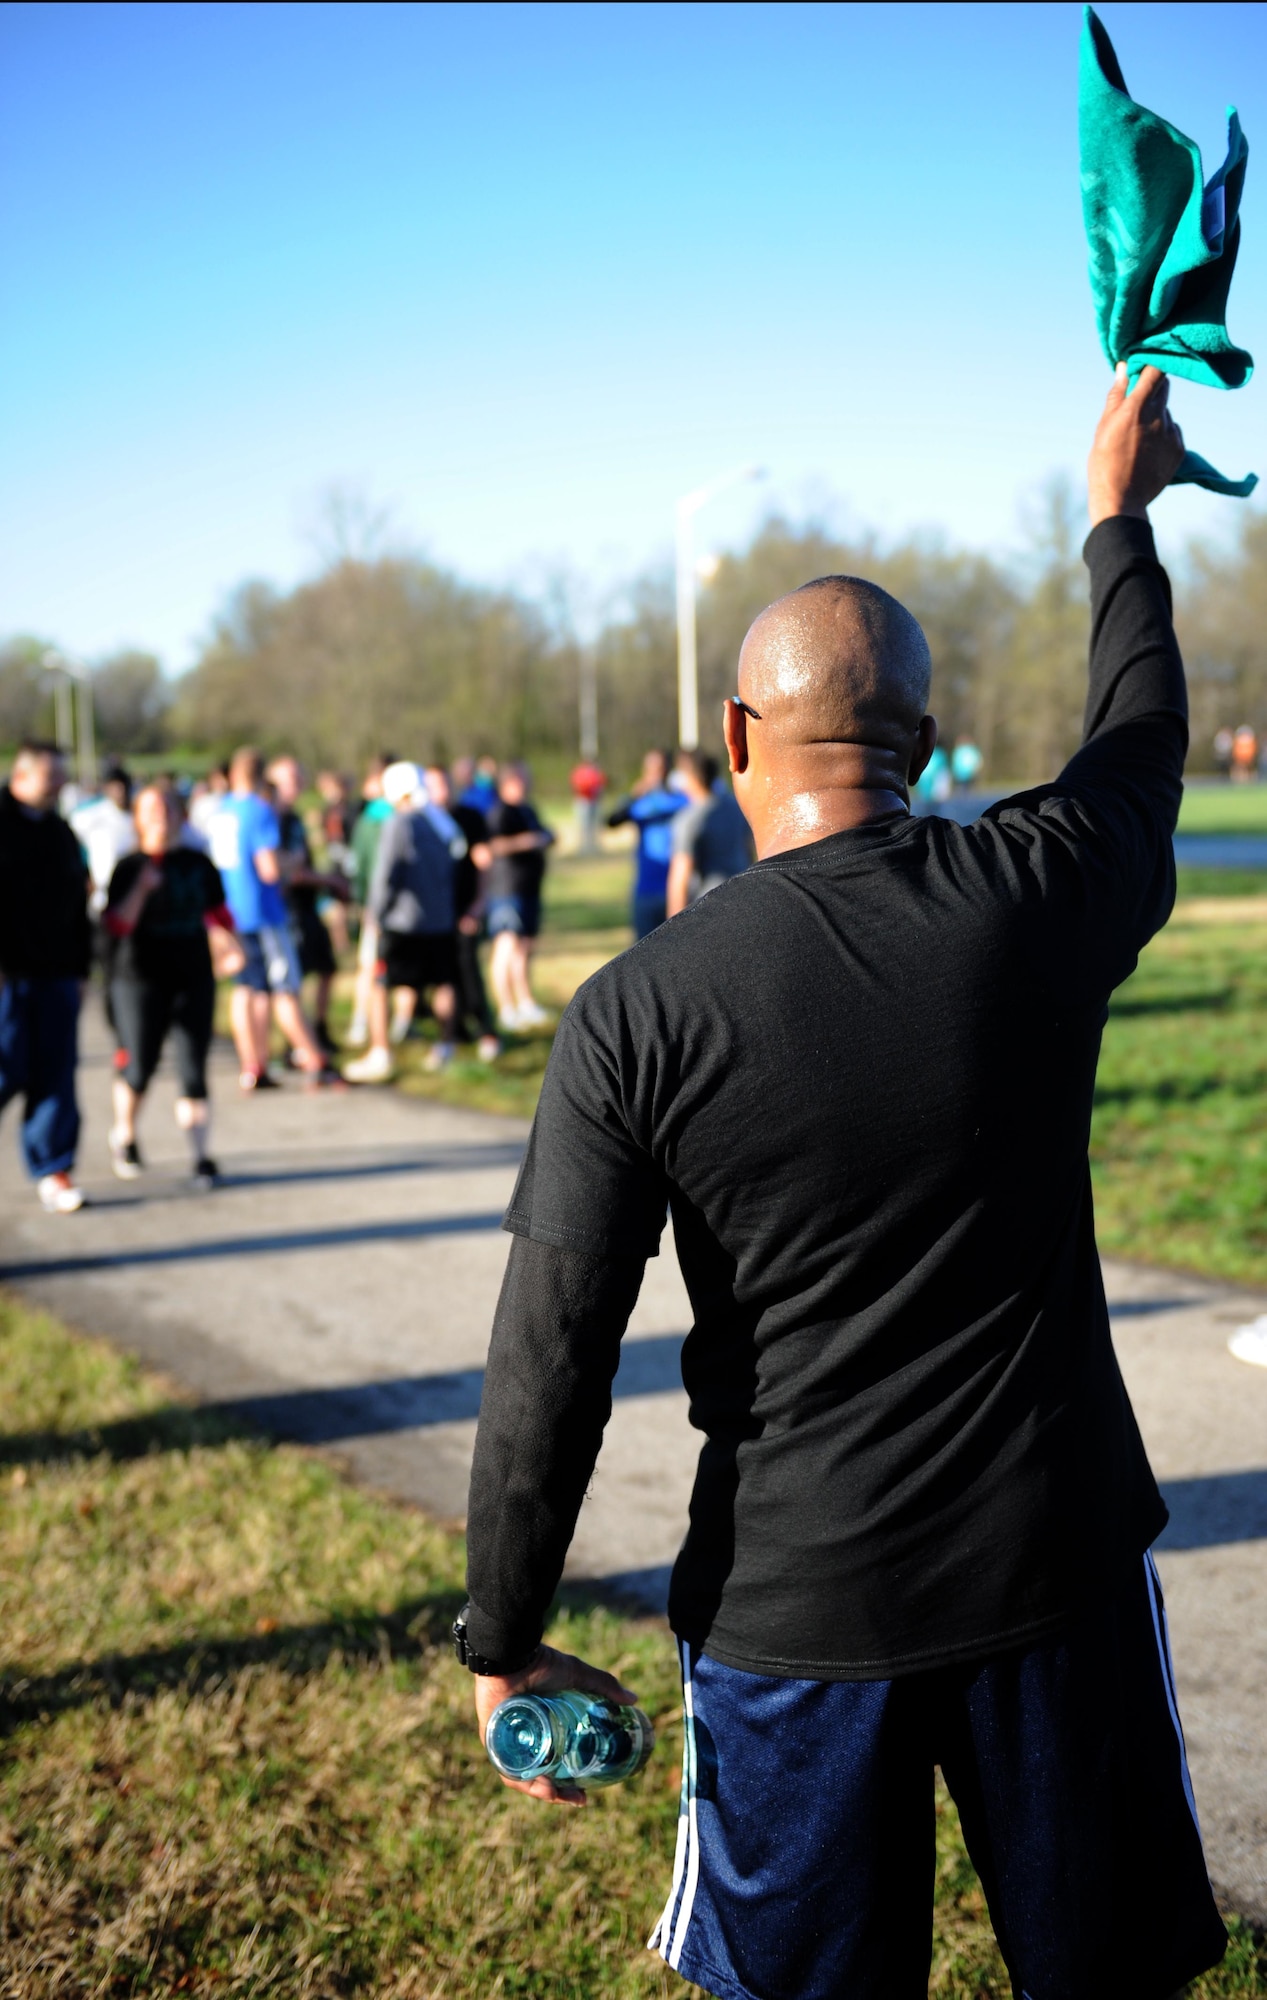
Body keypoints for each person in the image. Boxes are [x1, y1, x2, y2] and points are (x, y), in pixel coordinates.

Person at [454, 369, 1229, 2000]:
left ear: (734, 738)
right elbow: (1142, 735)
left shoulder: (635, 1010)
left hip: (789, 1619)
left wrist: (502, 1633)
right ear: (927, 747)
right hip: (1059, 1578)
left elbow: (551, 1357)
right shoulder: (1038, 894)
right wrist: (1116, 521)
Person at [103, 784, 241, 1187]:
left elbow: (218, 913)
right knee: (140, 1064)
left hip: (193, 974)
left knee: (192, 1067)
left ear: (181, 815)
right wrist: (143, 890)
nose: (161, 814)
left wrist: (230, 944)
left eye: (168, 807)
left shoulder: (199, 864)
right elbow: (116, 926)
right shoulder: (128, 866)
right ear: (138, 818)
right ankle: (125, 1136)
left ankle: (201, 1157)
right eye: (151, 808)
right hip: (139, 978)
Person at [206, 747, 333, 1090]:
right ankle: (315, 1060)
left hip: (230, 912)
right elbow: (269, 869)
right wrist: (294, 862)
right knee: (283, 988)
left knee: (248, 988)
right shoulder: (259, 811)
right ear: (263, 778)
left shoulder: (221, 811)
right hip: (262, 913)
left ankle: (253, 1064)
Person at [0, 742, 92, 1214]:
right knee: (6, 1069)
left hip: (56, 974)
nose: (59, 785)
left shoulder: (60, 832)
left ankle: (54, 1168)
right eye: (50, 776)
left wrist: (81, 968)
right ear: (22, 776)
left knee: (56, 1075)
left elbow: (79, 904)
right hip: (8, 977)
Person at [345, 761, 462, 1083]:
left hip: (403, 921)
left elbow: (385, 874)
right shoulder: (441, 822)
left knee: (381, 984)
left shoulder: (399, 823)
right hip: (439, 920)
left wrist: (374, 914)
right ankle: (445, 1045)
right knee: (443, 982)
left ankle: (381, 1051)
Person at [266, 754, 346, 1056]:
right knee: (292, 979)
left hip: (306, 905)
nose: (298, 784)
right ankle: (295, 1045)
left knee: (326, 968)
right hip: (287, 909)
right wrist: (328, 880)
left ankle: (317, 1030)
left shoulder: (295, 817)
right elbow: (288, 872)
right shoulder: (272, 819)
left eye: (300, 778)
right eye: (291, 779)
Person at [426, 763, 500, 1061]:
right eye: (433, 786)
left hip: (465, 909)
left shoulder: (470, 817)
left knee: (469, 971)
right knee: (443, 977)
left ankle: (487, 1031)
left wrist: (479, 904)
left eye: (444, 784)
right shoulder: (424, 821)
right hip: (435, 915)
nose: (440, 791)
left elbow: (484, 863)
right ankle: (450, 1035)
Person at [484, 762, 555, 1031]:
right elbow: (494, 845)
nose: (528, 783)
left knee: (525, 949)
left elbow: (541, 833)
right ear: (510, 782)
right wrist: (528, 841)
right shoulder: (500, 812)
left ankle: (525, 1002)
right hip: (507, 890)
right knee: (506, 947)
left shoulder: (528, 809)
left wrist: (548, 837)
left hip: (529, 888)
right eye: (523, 779)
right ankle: (505, 1008)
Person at [606, 749, 686, 939]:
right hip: (646, 891)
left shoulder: (683, 799)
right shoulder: (639, 803)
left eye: (659, 768)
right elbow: (611, 822)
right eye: (650, 769)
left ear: (668, 769)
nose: (654, 774)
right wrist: (634, 796)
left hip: (677, 890)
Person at [664, 749, 754, 917]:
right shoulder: (736, 806)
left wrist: (672, 930)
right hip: (743, 899)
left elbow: (680, 876)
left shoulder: (689, 820)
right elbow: (749, 851)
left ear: (690, 776)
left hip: (707, 907)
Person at [347, 754, 396, 1047]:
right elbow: (362, 866)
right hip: (378, 907)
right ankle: (361, 1022)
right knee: (371, 967)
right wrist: (365, 904)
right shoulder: (374, 819)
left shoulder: (376, 817)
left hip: (387, 907)